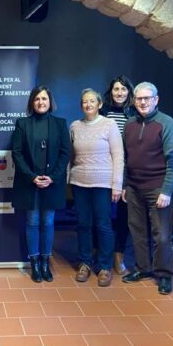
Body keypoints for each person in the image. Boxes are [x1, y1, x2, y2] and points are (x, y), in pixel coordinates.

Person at [122, 82, 173, 295]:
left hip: (158, 187)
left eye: (147, 98)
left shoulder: (166, 123)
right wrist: (125, 185)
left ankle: (164, 274)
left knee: (161, 234)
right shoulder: (129, 124)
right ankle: (143, 269)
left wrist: (167, 190)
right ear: (134, 101)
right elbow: (126, 158)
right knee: (137, 231)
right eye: (139, 98)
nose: (143, 102)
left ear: (156, 100)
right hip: (134, 187)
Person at [11, 86, 70, 283]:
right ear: (32, 102)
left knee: (48, 222)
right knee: (32, 222)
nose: (41, 102)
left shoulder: (60, 124)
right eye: (37, 99)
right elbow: (16, 153)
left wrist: (52, 177)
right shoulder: (22, 123)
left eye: (44, 98)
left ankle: (46, 263)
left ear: (50, 102)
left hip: (52, 183)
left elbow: (65, 153)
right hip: (30, 183)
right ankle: (35, 264)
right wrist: (31, 177)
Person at [69, 89, 124, 287]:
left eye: (92, 101)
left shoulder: (109, 125)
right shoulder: (74, 126)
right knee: (83, 223)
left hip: (103, 183)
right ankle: (85, 263)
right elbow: (70, 156)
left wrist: (117, 185)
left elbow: (118, 155)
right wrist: (67, 179)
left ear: (100, 104)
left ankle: (104, 266)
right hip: (79, 182)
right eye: (85, 102)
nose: (88, 104)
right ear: (81, 105)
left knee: (103, 224)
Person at [100, 75, 136, 275]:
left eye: (123, 89)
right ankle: (100, 252)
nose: (120, 93)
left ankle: (118, 255)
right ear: (110, 91)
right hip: (103, 169)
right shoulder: (102, 112)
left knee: (124, 216)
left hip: (127, 170)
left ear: (129, 92)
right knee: (102, 214)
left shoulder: (135, 113)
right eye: (116, 89)